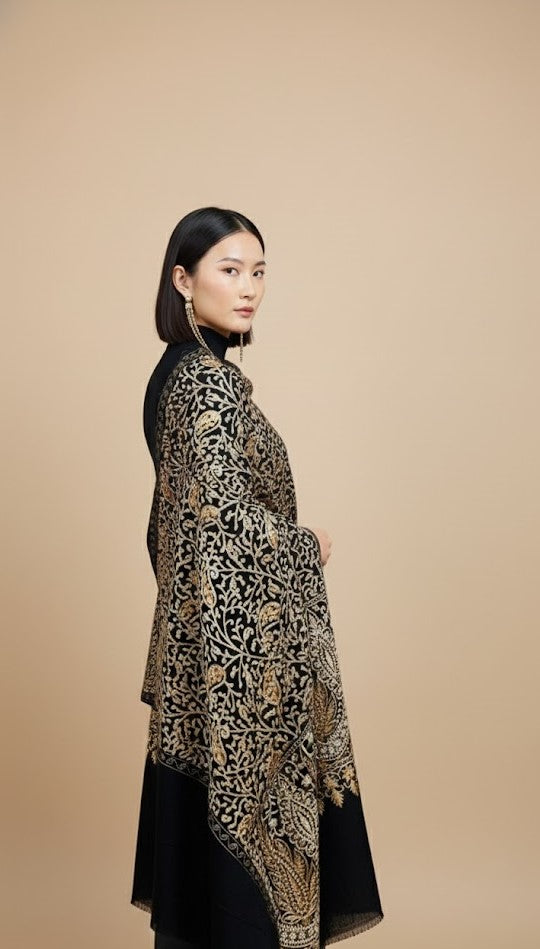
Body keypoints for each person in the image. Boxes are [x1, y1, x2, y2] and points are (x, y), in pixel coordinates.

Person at [130, 207, 384, 948]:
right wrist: (301, 542)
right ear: (184, 279)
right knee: (245, 889)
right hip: (241, 688)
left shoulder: (172, 377)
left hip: (198, 667)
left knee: (205, 888)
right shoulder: (205, 385)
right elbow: (219, 522)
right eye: (229, 270)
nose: (248, 289)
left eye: (259, 271)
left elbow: (167, 527)